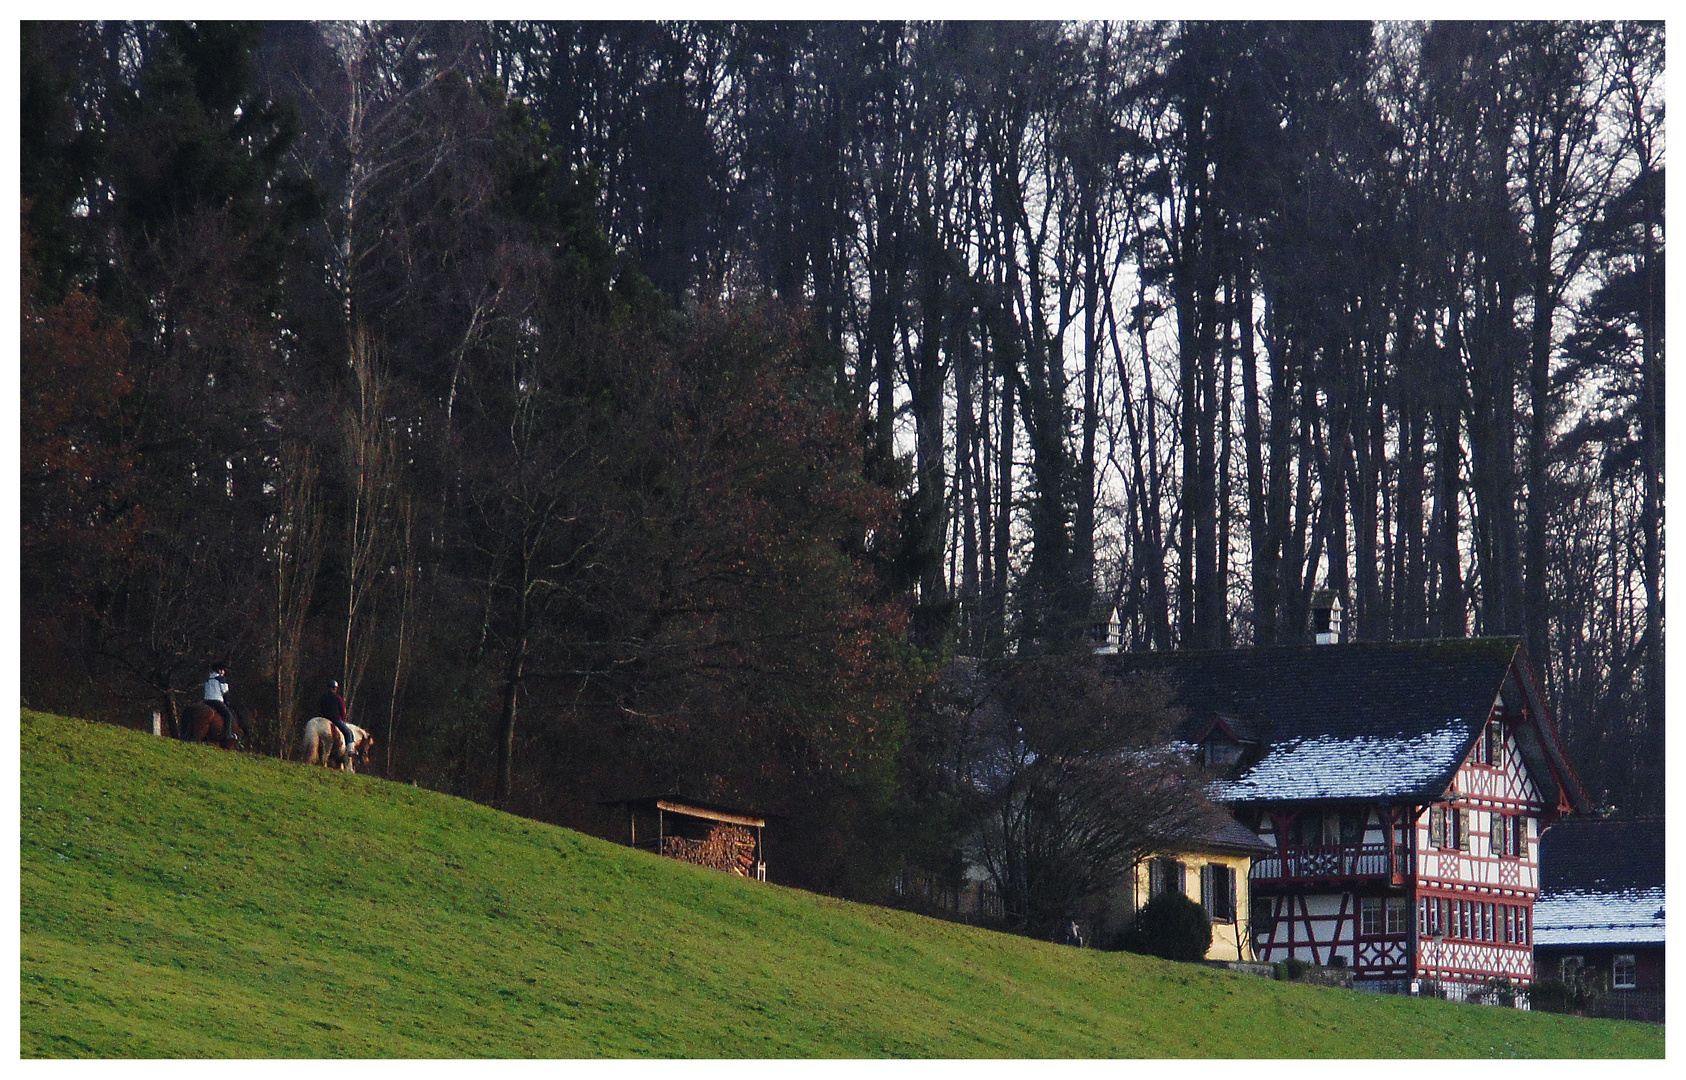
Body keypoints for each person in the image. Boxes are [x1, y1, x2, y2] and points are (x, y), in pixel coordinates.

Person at [317, 680, 356, 759]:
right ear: (335, 688)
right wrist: (343, 718)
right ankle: (350, 750)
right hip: (335, 719)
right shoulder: (338, 698)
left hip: (324, 718)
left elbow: (321, 708)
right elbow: (342, 710)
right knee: (348, 732)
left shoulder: (323, 697)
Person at [203, 665, 236, 744]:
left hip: (206, 701)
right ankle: (228, 734)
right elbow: (225, 692)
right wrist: (228, 702)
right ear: (220, 671)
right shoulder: (221, 679)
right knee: (228, 715)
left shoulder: (208, 678)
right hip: (216, 701)